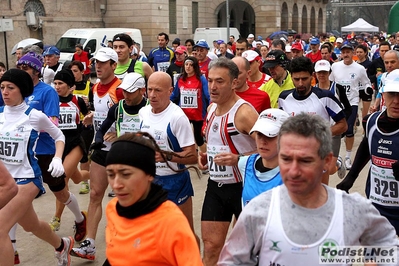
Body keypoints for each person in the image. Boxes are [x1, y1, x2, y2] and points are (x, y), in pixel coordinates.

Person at [218, 113, 398, 265]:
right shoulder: (258, 212)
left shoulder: (352, 210)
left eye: (305, 161)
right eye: (286, 159)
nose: (294, 171)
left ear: (327, 161)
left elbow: (390, 249)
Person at [0, 69, 74, 266]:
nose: (5, 92)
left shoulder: (34, 116)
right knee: (31, 225)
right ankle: (62, 245)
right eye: (2, 88)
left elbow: (59, 136)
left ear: (22, 90)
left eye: (10, 88)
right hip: (4, 181)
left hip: (27, 179)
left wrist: (57, 159)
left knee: (0, 228)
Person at [102, 132, 202, 265]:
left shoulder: (170, 221)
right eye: (110, 174)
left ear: (149, 174)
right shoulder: (112, 208)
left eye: (125, 174)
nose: (116, 185)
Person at [198, 57, 258, 265]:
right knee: (211, 245)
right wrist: (207, 157)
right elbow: (216, 142)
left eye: (219, 81)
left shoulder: (245, 113)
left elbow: (271, 153)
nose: (212, 87)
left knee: (247, 251)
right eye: (210, 80)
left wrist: (238, 160)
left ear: (234, 83)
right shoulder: (210, 109)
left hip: (245, 188)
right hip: (216, 185)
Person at [71, 47, 124, 261]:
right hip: (100, 148)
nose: (98, 66)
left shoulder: (121, 89)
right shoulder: (94, 88)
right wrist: (93, 116)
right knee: (94, 194)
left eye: (103, 63)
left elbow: (135, 117)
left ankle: (128, 243)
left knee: (123, 198)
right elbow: (104, 113)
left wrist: (119, 136)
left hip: (121, 151)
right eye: (96, 63)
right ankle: (89, 245)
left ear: (113, 65)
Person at [139, 71, 200, 245]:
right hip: (150, 181)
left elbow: (192, 156)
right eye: (149, 89)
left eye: (157, 90)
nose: (152, 95)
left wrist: (167, 156)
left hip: (175, 181)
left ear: (170, 91)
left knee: (185, 232)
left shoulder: (177, 117)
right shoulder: (143, 113)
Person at [337, 69, 399, 235]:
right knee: (375, 258)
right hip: (376, 207)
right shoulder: (371, 121)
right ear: (383, 94)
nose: (396, 101)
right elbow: (366, 144)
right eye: (392, 94)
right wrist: (351, 177)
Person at [278, 57, 347, 185]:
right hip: (294, 154)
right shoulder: (283, 98)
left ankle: (336, 163)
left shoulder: (325, 97)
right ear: (291, 77)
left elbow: (343, 125)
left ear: (312, 76)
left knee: (321, 191)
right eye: (296, 79)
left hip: (319, 153)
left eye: (304, 79)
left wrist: (318, 135)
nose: (300, 83)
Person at [50, 69, 89, 242]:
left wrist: (89, 117)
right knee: (78, 177)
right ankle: (96, 175)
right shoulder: (51, 101)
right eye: (55, 83)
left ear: (70, 86)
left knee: (62, 179)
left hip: (75, 143)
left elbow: (87, 115)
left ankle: (56, 218)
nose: (57, 87)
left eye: (61, 84)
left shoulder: (77, 100)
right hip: (58, 145)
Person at [330, 42, 372, 170]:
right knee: (335, 131)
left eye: (348, 52)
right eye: (343, 52)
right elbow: (331, 81)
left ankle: (348, 156)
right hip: (337, 103)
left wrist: (368, 89)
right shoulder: (335, 66)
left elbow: (366, 83)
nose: (346, 54)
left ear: (352, 53)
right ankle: (335, 156)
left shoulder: (359, 68)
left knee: (348, 130)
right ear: (341, 54)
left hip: (352, 102)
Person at [239, 108, 288, 206]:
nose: (263, 141)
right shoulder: (244, 163)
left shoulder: (296, 172)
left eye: (270, 135)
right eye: (259, 134)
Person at [314, 59, 352, 180]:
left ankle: (338, 162)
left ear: (329, 72)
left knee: (329, 170)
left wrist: (339, 122)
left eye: (324, 72)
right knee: (318, 166)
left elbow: (348, 108)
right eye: (319, 72)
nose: (322, 75)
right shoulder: (312, 90)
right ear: (315, 74)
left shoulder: (338, 88)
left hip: (333, 132)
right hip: (317, 133)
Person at [91, 72, 147, 147]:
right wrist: (98, 141)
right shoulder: (117, 108)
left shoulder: (151, 108)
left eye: (130, 92)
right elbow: (101, 130)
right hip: (123, 153)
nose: (126, 96)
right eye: (124, 91)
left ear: (142, 91)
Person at [170, 56, 210, 154]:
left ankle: (206, 158)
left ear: (195, 66)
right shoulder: (180, 78)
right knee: (182, 138)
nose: (188, 67)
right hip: (183, 114)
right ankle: (187, 156)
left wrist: (211, 108)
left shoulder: (201, 79)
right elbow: (175, 95)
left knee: (199, 139)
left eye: (191, 65)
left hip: (198, 114)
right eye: (186, 64)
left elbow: (207, 95)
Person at [68, 60, 94, 194]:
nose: (73, 74)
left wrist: (88, 104)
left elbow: (95, 107)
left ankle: (85, 183)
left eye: (75, 71)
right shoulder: (66, 87)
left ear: (82, 72)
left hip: (85, 124)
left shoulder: (90, 86)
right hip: (72, 125)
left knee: (82, 154)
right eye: (71, 71)